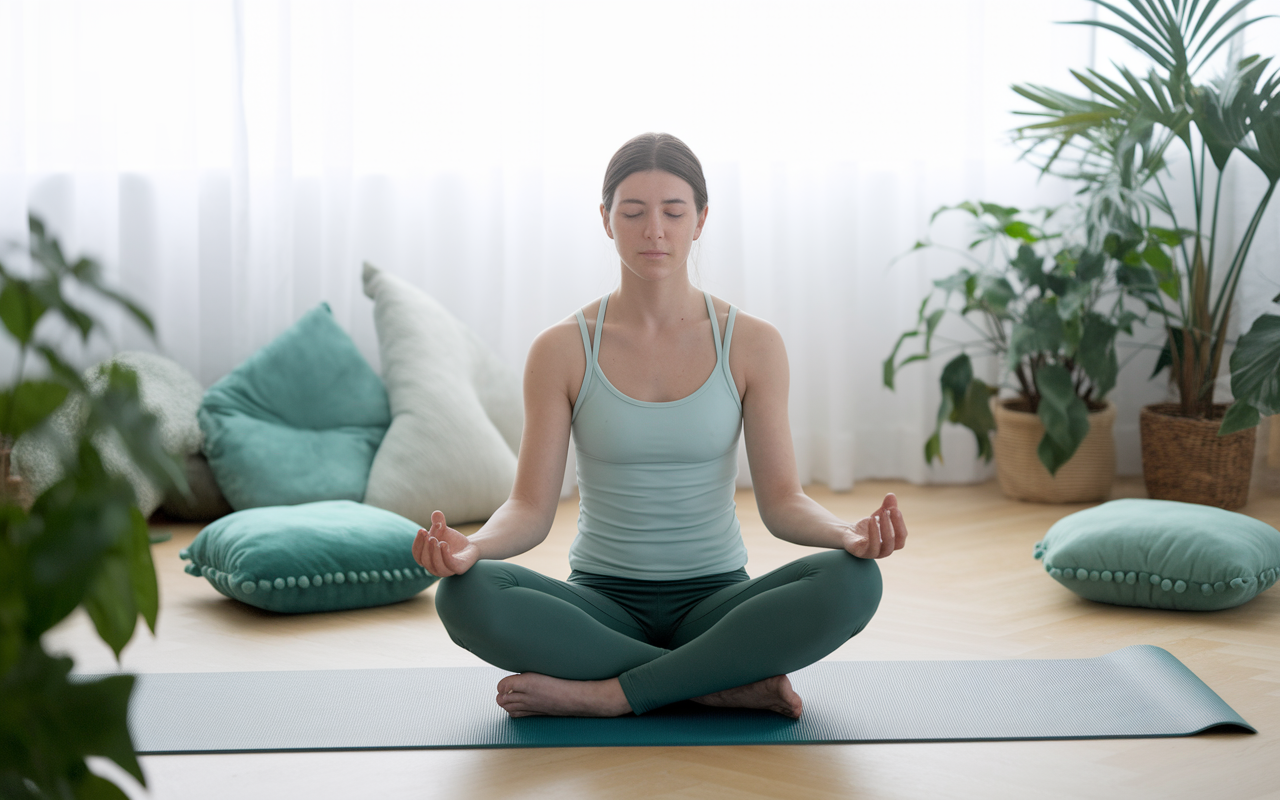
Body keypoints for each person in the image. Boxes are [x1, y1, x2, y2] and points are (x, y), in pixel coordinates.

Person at [413, 132, 907, 720]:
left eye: (674, 212)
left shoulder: (751, 344)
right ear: (605, 220)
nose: (655, 231)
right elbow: (529, 508)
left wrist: (846, 535)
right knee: (466, 595)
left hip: (718, 599)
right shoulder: (562, 349)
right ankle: (714, 680)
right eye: (633, 212)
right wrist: (473, 548)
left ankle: (612, 693)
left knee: (854, 582)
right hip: (600, 602)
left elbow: (782, 501)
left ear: (700, 220)